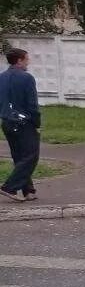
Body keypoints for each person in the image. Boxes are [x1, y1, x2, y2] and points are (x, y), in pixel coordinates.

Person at [0, 48, 40, 202]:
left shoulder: (2, 77)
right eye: (26, 59)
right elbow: (32, 105)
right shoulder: (26, 78)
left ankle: (28, 190)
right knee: (31, 156)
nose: (28, 62)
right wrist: (36, 122)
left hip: (7, 122)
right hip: (24, 123)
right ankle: (9, 187)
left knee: (19, 157)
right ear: (19, 60)